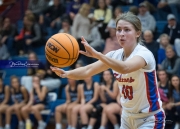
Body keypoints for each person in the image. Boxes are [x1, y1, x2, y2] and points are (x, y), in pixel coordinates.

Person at [51, 12, 165, 129]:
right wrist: (66, 73)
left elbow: (125, 68)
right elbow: (87, 70)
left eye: (127, 30)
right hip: (127, 117)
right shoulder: (114, 55)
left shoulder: (144, 54)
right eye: (119, 30)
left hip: (149, 118)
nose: (121, 34)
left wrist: (98, 55)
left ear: (138, 33)